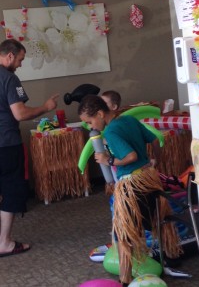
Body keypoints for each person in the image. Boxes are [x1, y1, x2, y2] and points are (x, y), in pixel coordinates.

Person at [78, 95, 182, 286]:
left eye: (90, 121)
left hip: (132, 184)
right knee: (160, 219)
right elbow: (154, 139)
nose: (91, 127)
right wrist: (153, 162)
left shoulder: (111, 132)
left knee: (123, 232)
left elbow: (130, 156)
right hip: (149, 177)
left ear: (100, 114)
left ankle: (124, 279)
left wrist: (108, 161)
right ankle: (172, 257)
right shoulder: (129, 120)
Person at [0, 39, 59, 257]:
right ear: (9, 56)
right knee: (11, 191)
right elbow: (20, 114)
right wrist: (46, 107)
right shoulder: (9, 78)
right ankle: (4, 243)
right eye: (20, 59)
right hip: (6, 144)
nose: (20, 64)